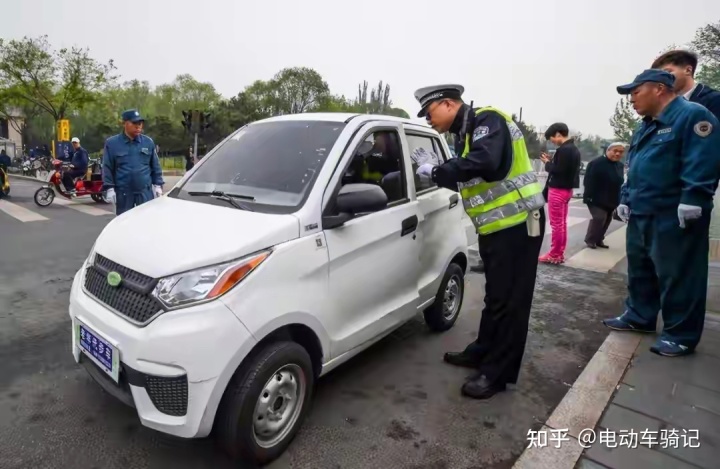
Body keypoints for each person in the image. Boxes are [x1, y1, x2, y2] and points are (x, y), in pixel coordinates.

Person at [413, 84, 546, 399]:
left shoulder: (488, 120)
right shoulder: (466, 135)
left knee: (512, 304)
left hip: (518, 226)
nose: (429, 120)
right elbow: (468, 177)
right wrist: (442, 170)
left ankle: (497, 375)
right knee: (496, 298)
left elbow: (484, 164)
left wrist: (435, 170)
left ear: (448, 104)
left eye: (430, 113)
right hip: (497, 229)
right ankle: (482, 351)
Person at [603, 69, 720, 357]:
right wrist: (626, 198)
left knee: (678, 275)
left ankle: (680, 334)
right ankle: (639, 316)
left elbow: (703, 160)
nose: (631, 99)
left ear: (658, 89)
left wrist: (694, 197)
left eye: (635, 92)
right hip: (643, 210)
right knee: (641, 271)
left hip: (674, 213)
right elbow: (636, 166)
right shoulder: (647, 125)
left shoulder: (693, 115)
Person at [102, 109, 164, 215]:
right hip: (124, 192)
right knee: (124, 222)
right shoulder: (112, 144)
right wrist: (109, 188)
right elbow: (107, 167)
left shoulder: (147, 142)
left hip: (144, 192)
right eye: (134, 123)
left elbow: (155, 166)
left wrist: (158, 185)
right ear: (125, 123)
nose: (138, 126)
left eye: (140, 123)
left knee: (146, 221)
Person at [538, 123, 582, 264]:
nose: (552, 142)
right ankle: (558, 253)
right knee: (561, 224)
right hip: (566, 190)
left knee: (557, 224)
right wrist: (552, 162)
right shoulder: (573, 149)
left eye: (552, 138)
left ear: (558, 134)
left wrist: (547, 164)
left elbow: (558, 170)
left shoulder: (564, 150)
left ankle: (555, 254)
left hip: (557, 189)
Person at [652, 49, 720, 119]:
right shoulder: (661, 111)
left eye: (667, 72)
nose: (661, 79)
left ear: (688, 70)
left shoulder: (714, 100)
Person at [582, 143, 626, 248]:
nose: (617, 154)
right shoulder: (596, 163)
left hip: (612, 198)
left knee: (607, 220)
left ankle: (599, 239)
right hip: (596, 197)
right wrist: (588, 197)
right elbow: (588, 181)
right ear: (608, 150)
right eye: (615, 151)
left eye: (620, 152)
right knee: (599, 218)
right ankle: (590, 239)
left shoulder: (619, 165)